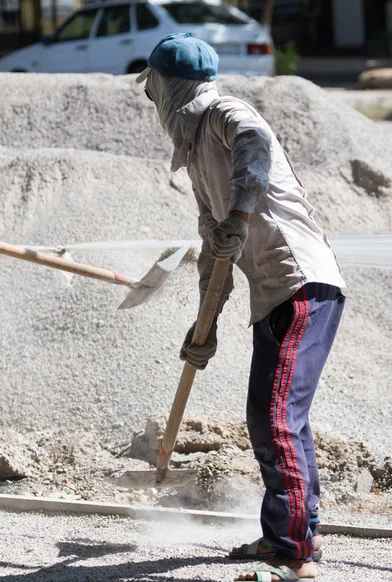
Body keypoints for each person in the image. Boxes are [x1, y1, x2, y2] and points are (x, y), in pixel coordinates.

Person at [137, 34, 346, 582]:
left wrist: (241, 212)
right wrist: (203, 325)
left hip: (301, 283)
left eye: (151, 87)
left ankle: (293, 553)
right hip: (275, 295)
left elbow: (255, 146)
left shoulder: (226, 113)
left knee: (277, 419)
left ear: (165, 85)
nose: (150, 99)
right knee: (275, 420)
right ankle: (289, 536)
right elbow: (215, 247)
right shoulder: (196, 151)